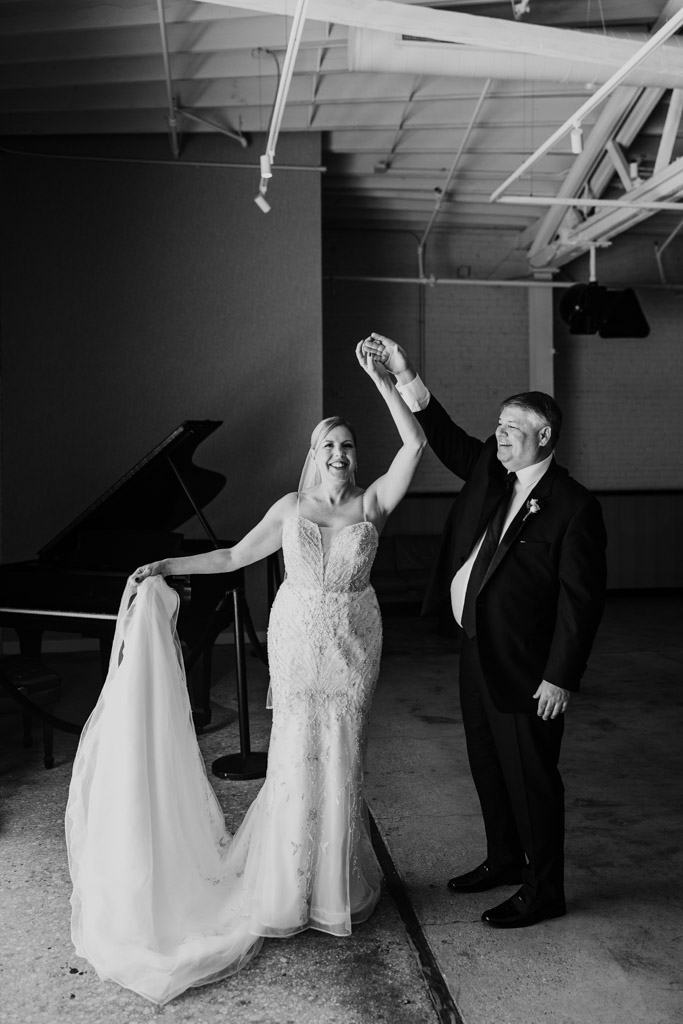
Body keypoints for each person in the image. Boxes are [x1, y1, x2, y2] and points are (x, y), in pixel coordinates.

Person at [65, 341, 426, 1004]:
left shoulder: (371, 505)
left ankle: (333, 884)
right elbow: (231, 554)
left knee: (341, 755)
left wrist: (383, 380)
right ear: (313, 456)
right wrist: (166, 567)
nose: (340, 456)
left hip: (351, 646)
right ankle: (286, 889)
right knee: (293, 756)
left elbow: (414, 446)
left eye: (347, 446)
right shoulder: (291, 508)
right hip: (296, 643)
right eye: (329, 447)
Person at [361, 332, 607, 930]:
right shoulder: (491, 474)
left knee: (532, 780)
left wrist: (560, 676)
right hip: (475, 648)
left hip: (529, 669)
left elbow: (583, 602)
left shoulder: (574, 505)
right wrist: (403, 373)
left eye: (513, 426)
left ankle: (545, 889)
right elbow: (441, 432)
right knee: (487, 763)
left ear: (544, 435)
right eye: (498, 424)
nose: (500, 434)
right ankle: (503, 859)